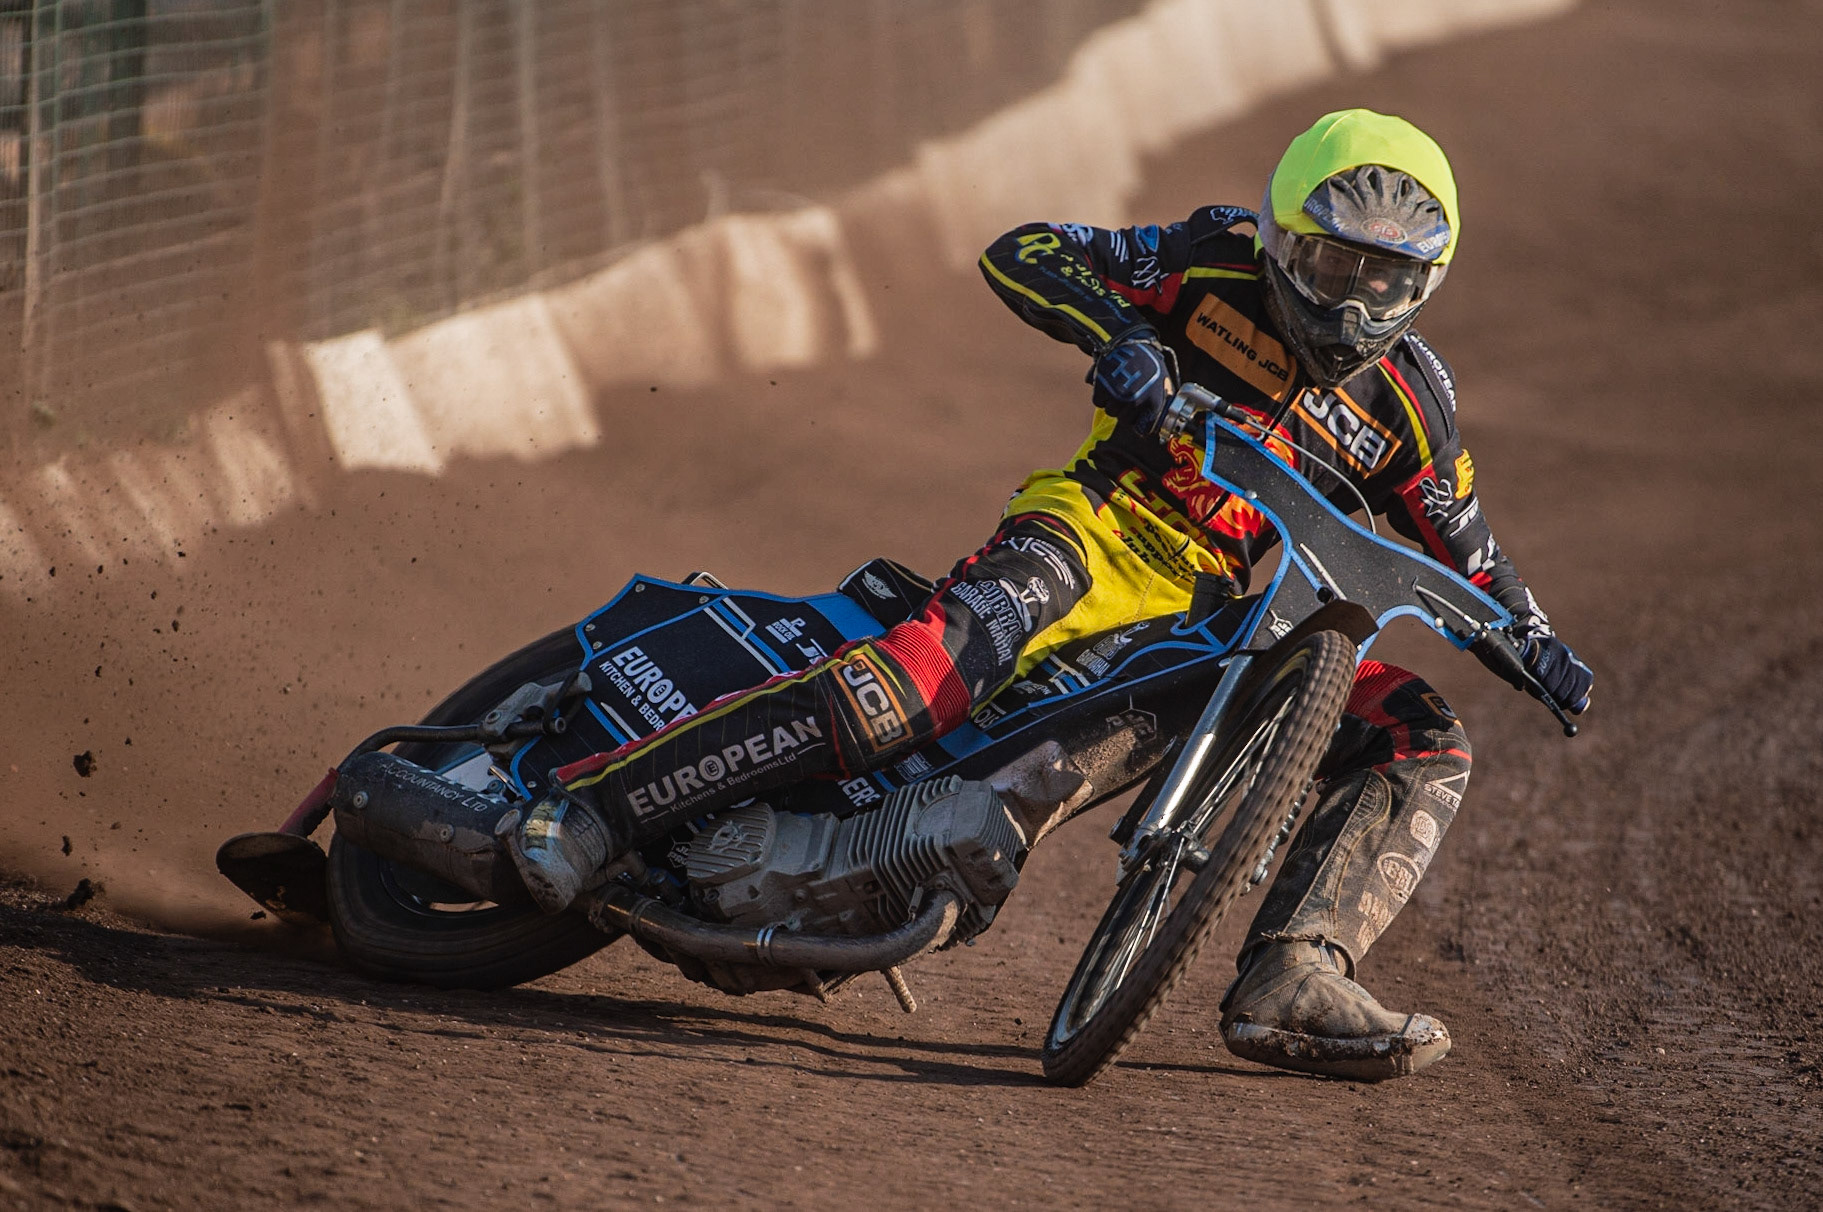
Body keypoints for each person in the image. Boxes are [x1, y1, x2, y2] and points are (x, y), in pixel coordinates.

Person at [508, 108, 1593, 1081]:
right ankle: (597, 808)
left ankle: (1296, 972)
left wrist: (1534, 640)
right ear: (1277, 239)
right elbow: (1027, 249)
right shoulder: (1209, 256)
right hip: (1090, 526)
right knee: (915, 688)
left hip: (1218, 619)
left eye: (1385, 281)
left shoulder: (1412, 406)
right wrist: (1121, 337)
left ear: (1425, 284)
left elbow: (1468, 552)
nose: (1352, 304)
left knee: (1423, 734)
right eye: (1328, 264)